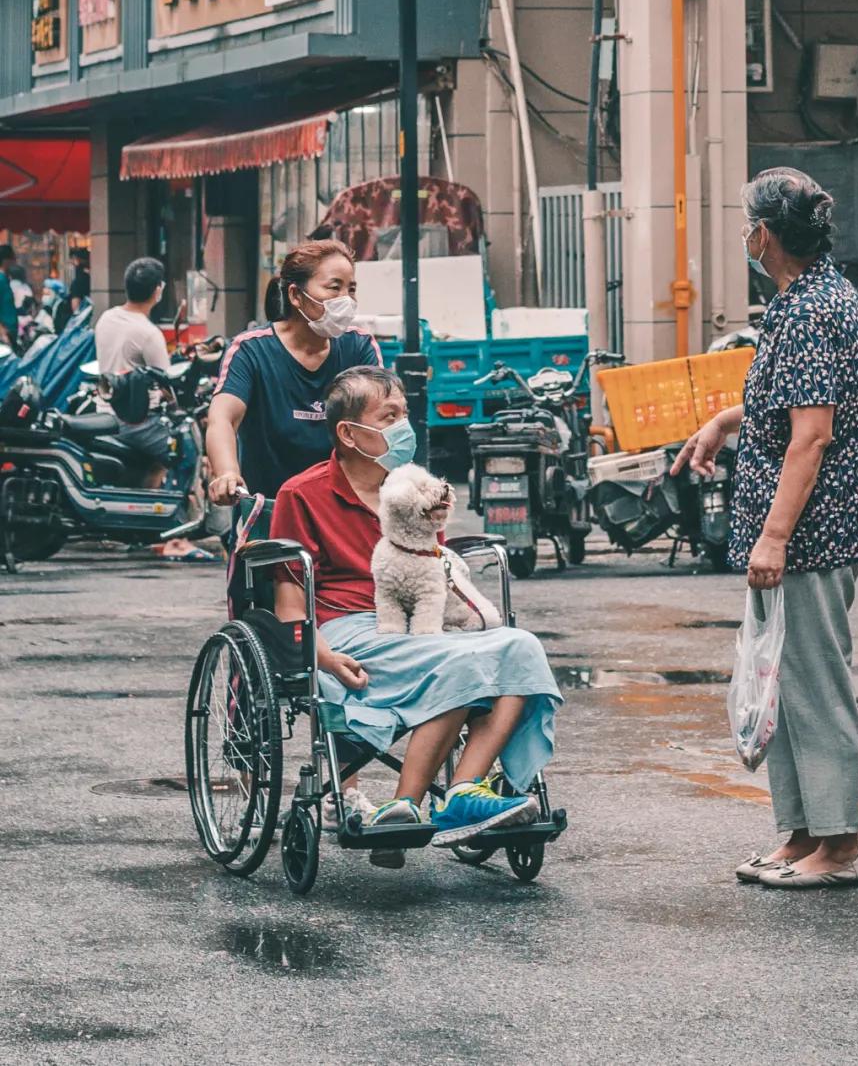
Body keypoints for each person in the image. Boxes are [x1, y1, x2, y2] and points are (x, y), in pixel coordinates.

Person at [673, 167, 858, 890]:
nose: (744, 234)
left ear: (764, 235)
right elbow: (795, 405)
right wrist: (726, 421)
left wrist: (774, 536)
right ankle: (800, 833)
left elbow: (813, 435)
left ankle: (839, 845)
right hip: (818, 523)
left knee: (813, 682)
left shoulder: (805, 310)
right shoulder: (819, 294)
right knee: (785, 681)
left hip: (815, 527)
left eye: (746, 223)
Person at [270, 364, 561, 866]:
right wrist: (324, 658)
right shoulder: (302, 494)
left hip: (422, 625)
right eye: (390, 415)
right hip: (349, 629)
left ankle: (464, 790)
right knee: (453, 659)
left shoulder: (416, 488)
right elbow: (289, 607)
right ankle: (406, 802)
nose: (404, 424)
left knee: (520, 647)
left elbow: (433, 577)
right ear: (349, 432)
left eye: (405, 412)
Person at [207, 239, 381, 505]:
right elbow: (223, 418)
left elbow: (381, 419)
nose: (345, 299)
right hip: (267, 509)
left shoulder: (359, 347)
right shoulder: (251, 350)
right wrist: (227, 473)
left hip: (343, 510)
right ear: (295, 295)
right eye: (334, 287)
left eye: (351, 289)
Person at [94, 257, 173, 490]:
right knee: (187, 449)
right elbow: (168, 386)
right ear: (157, 290)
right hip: (136, 422)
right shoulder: (148, 333)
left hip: (104, 411)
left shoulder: (106, 318)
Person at [0, 244, 17, 348]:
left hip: (10, 332)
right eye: (13, 258)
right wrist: (2, 331)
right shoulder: (1, 280)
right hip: (4, 334)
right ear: (6, 260)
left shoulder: (5, 279)